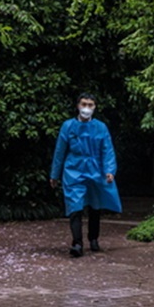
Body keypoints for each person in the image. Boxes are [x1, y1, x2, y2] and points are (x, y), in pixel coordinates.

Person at [49, 93, 122, 257]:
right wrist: (55, 174)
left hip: (95, 170)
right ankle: (77, 243)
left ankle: (93, 239)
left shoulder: (101, 127)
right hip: (73, 170)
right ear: (77, 105)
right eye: (84, 104)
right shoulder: (68, 126)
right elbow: (60, 152)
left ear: (95, 107)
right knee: (75, 206)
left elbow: (107, 149)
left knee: (95, 206)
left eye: (90, 105)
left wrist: (110, 170)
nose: (86, 108)